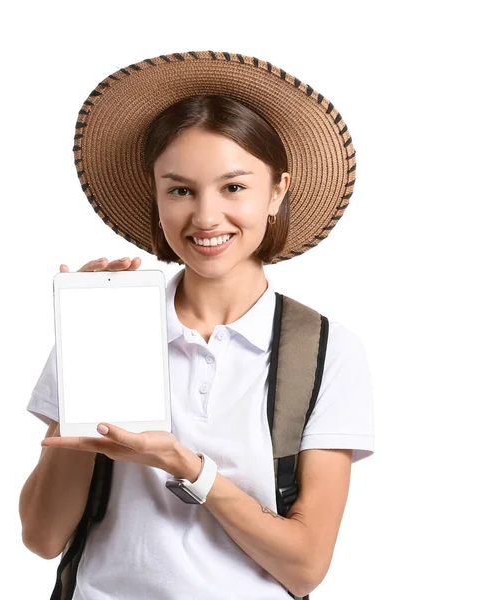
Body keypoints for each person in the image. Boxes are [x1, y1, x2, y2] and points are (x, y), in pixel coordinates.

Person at [19, 50, 374, 600]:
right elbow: (43, 537)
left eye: (234, 187)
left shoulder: (325, 351)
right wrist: (93, 359)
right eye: (180, 189)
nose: (206, 217)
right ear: (156, 194)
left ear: (277, 191)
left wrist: (185, 465)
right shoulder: (104, 329)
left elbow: (306, 567)